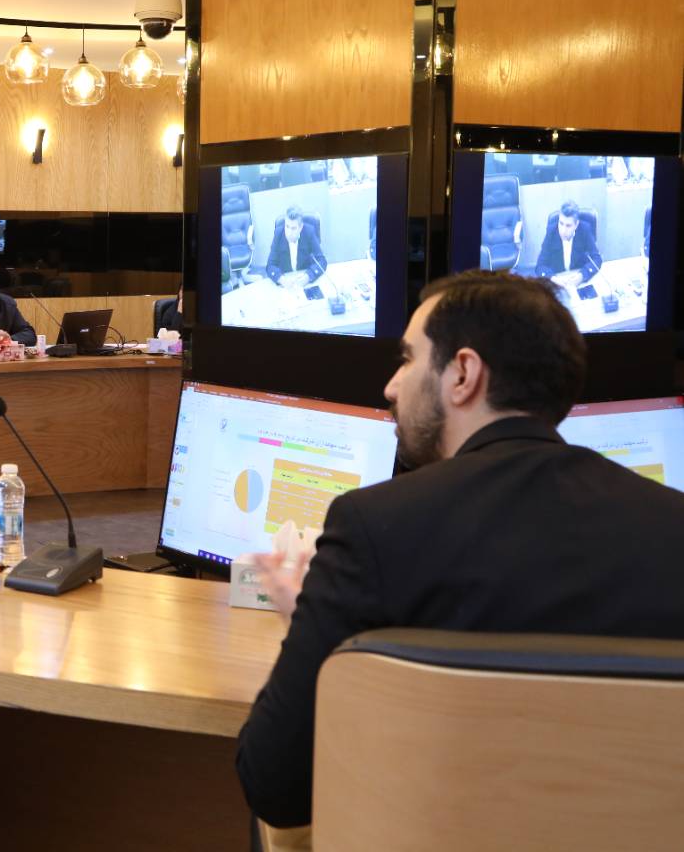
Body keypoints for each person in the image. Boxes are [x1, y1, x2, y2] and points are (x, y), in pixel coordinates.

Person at [235, 271, 684, 829]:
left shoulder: (373, 527)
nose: (391, 387)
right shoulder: (673, 526)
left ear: (463, 374)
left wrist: (309, 626)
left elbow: (273, 786)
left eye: (407, 359)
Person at [535, 200, 602, 282]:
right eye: (561, 223)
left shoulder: (584, 230)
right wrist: (553, 279)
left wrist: (582, 276)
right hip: (558, 277)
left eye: (568, 226)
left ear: (576, 225)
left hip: (578, 277)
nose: (563, 230)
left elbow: (597, 259)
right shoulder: (551, 232)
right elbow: (540, 266)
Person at [264, 207, 326, 286]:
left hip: (304, 280)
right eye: (287, 226)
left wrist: (308, 277)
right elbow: (270, 265)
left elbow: (322, 261)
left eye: (293, 228)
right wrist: (281, 279)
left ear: (300, 227)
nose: (289, 233)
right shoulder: (278, 234)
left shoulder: (309, 232)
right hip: (286, 280)